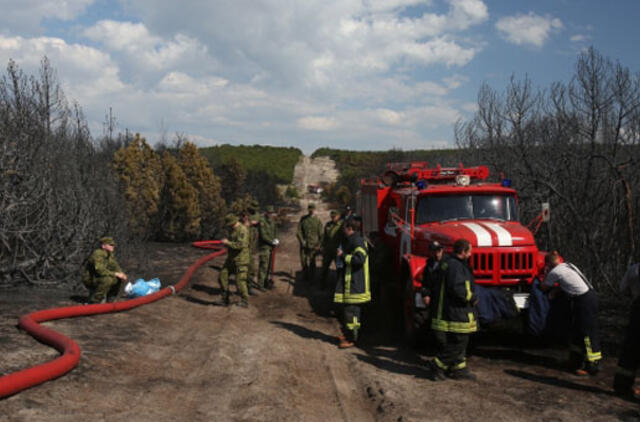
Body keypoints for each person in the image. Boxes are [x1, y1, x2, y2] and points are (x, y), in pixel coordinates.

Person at [541, 251, 601, 376]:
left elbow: (544, 287)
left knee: (587, 332)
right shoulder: (568, 266)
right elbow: (567, 283)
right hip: (589, 296)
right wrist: (556, 291)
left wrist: (545, 274)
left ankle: (593, 364)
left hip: (584, 300)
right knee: (577, 331)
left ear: (548, 264)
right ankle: (575, 361)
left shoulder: (554, 272)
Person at [430, 238, 478, 381]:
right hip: (456, 310)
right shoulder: (456, 266)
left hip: (451, 310)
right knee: (459, 341)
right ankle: (438, 365)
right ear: (463, 252)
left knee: (458, 340)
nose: (471, 254)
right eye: (469, 251)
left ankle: (458, 368)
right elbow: (457, 288)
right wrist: (472, 297)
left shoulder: (449, 263)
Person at [333, 218, 371, 349]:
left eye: (344, 228)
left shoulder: (357, 241)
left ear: (350, 228)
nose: (343, 231)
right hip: (352, 284)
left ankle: (352, 339)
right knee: (348, 311)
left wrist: (343, 256)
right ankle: (348, 334)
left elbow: (359, 259)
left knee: (352, 313)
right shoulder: (353, 240)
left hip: (356, 285)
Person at [613, 263, 640, 400]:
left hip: (637, 310)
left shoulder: (634, 268)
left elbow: (623, 289)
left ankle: (621, 386)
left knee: (630, 350)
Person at [81, 236, 128, 304]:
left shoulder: (109, 254)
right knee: (107, 280)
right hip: (91, 278)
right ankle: (94, 301)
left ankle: (110, 299)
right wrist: (115, 274)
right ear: (103, 246)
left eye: (113, 245)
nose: (113, 246)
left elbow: (115, 266)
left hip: (99, 277)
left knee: (118, 278)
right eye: (110, 245)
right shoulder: (97, 254)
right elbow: (99, 270)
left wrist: (121, 273)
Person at [219, 214, 250, 307]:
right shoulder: (232, 229)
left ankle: (244, 301)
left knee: (240, 281)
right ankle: (225, 299)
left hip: (241, 260)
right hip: (231, 259)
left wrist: (227, 243)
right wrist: (226, 242)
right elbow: (231, 241)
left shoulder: (242, 230)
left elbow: (240, 245)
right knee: (222, 276)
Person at [297, 203, 323, 281]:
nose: (311, 211)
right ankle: (305, 277)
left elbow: (321, 235)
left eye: (312, 210)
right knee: (303, 261)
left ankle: (312, 278)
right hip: (304, 245)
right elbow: (299, 231)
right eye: (310, 210)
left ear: (315, 210)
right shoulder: (303, 219)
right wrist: (302, 240)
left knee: (312, 262)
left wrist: (319, 245)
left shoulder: (317, 221)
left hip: (313, 245)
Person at [321, 210, 344, 289]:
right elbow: (325, 237)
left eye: (334, 216)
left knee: (339, 269)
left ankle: (339, 286)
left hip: (337, 251)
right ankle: (322, 284)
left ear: (338, 216)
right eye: (332, 216)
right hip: (328, 250)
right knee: (324, 268)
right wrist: (323, 247)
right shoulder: (328, 224)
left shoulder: (342, 225)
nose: (333, 218)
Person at [258, 206, 279, 290]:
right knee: (264, 265)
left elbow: (275, 232)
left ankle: (266, 282)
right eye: (269, 213)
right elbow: (263, 235)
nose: (270, 214)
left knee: (269, 266)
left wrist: (276, 239)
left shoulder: (273, 222)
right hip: (265, 247)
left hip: (272, 247)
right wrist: (271, 241)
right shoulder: (262, 222)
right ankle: (261, 284)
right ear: (266, 212)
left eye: (271, 213)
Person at [421, 240, 445, 307]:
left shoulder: (448, 263)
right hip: (432, 298)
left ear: (442, 250)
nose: (437, 253)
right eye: (434, 250)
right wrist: (425, 294)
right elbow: (425, 282)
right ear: (430, 252)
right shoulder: (429, 264)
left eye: (438, 250)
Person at [246, 200, 261, 290]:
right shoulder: (246, 215)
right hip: (246, 240)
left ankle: (250, 283)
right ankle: (248, 284)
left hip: (254, 240)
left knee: (252, 262)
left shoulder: (258, 215)